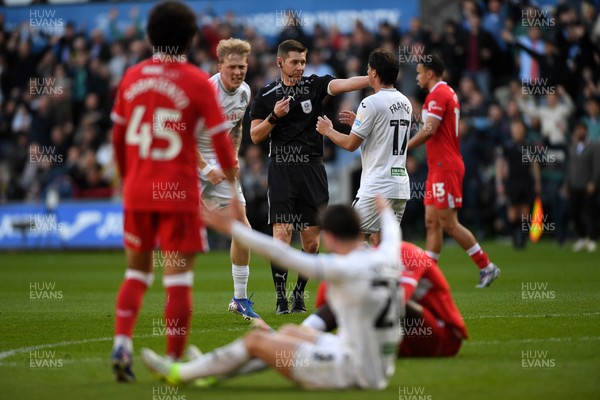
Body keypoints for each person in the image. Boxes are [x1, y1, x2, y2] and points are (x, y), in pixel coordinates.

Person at [141, 196, 402, 390]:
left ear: (330, 238)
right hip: (377, 365)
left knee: (256, 341)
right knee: (289, 332)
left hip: (349, 371)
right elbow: (393, 231)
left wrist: (234, 229)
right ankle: (213, 371)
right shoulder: (387, 255)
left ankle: (179, 372)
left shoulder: (343, 267)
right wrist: (385, 210)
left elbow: (281, 253)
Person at [110, 1, 237, 382]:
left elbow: (118, 139)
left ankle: (121, 343)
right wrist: (231, 189)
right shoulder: (197, 82)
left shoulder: (131, 77)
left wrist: (124, 180)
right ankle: (174, 362)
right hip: (178, 195)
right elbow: (224, 147)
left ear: (150, 36)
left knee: (136, 274)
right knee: (178, 279)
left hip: (137, 190)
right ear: (191, 38)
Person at [249, 39, 369, 314]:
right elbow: (255, 136)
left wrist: (371, 78)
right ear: (280, 62)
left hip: (312, 169)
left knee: (312, 241)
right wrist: (273, 117)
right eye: (295, 61)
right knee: (282, 233)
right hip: (281, 169)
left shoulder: (314, 84)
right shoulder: (266, 94)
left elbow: (344, 83)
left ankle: (298, 293)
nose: (301, 66)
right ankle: (280, 298)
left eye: (303, 61)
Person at [407, 55, 500, 288]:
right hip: (437, 166)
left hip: (445, 167)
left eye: (419, 73)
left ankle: (486, 266)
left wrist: (403, 147)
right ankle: (428, 277)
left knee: (448, 222)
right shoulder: (443, 93)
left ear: (430, 73)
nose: (417, 77)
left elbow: (429, 130)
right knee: (432, 222)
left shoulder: (438, 94)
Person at [304, 241, 468, 357]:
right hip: (395, 340)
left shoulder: (406, 252)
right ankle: (301, 336)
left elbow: (397, 300)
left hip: (442, 337)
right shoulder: (352, 264)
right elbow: (329, 307)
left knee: (374, 293)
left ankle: (323, 343)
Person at [315, 48, 411, 245]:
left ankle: (367, 275)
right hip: (400, 186)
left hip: (377, 185)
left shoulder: (370, 103)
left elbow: (351, 144)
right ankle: (389, 276)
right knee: (383, 245)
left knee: (350, 239)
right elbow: (384, 136)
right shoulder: (405, 102)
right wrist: (358, 125)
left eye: (368, 69)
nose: (367, 73)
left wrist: (329, 130)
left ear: (374, 73)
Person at [196, 38, 260, 320]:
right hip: (190, 164)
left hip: (221, 166)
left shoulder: (245, 92)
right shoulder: (205, 93)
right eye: (232, 66)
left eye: (242, 66)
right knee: (179, 234)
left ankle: (240, 299)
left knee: (242, 229)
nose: (238, 72)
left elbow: (236, 127)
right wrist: (207, 168)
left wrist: (232, 156)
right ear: (219, 65)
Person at [496, 120, 542, 249]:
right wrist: (499, 182)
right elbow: (500, 164)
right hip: (512, 181)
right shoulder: (506, 146)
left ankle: (523, 237)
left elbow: (534, 164)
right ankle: (514, 235)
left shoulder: (528, 145)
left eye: (519, 129)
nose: (517, 132)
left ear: (523, 130)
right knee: (512, 211)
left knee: (525, 210)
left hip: (526, 180)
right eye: (515, 129)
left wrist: (537, 181)